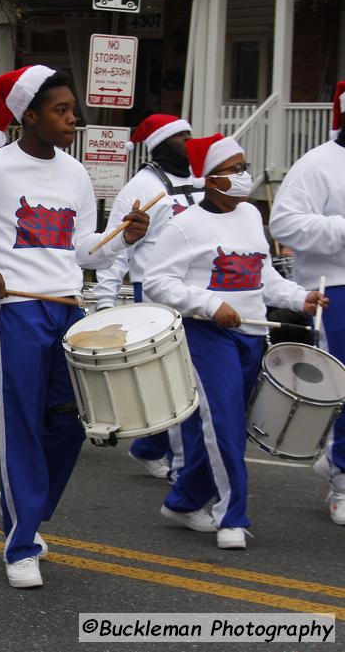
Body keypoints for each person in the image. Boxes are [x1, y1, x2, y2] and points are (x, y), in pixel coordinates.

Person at [0, 66, 149, 589]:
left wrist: (122, 238)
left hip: (68, 306)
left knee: (69, 423)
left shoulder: (76, 174)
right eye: (62, 111)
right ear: (30, 115)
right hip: (17, 310)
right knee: (21, 422)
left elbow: (82, 249)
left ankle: (14, 504)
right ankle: (20, 544)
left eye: (72, 110)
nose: (73, 119)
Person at [144, 134, 326, 549]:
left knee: (229, 428)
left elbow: (262, 278)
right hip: (208, 336)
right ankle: (232, 516)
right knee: (223, 425)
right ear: (210, 179)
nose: (244, 177)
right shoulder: (184, 225)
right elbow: (156, 282)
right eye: (234, 169)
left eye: (245, 167)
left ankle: (184, 500)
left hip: (252, 335)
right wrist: (209, 304)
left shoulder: (248, 217)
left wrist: (301, 297)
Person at [98, 114, 204, 480]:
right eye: (182, 138)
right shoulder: (140, 187)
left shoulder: (200, 181)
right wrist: (104, 304)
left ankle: (150, 446)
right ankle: (179, 463)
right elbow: (116, 249)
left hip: (199, 291)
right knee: (176, 381)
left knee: (187, 380)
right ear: (160, 144)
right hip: (156, 292)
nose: (190, 142)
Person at [268, 80, 345, 525]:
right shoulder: (318, 164)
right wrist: (341, 229)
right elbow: (285, 222)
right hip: (336, 285)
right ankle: (341, 477)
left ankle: (337, 462)